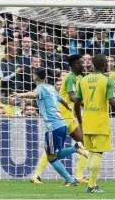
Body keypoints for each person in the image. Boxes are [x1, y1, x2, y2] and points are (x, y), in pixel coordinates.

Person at [12, 68, 89, 187]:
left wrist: (20, 95)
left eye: (33, 74)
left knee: (51, 157)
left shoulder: (40, 88)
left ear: (35, 77)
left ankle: (73, 163)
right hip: (62, 124)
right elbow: (62, 100)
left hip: (53, 126)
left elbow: (34, 95)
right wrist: (68, 108)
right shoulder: (51, 88)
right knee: (54, 155)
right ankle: (71, 177)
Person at [74, 54, 115, 193]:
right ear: (105, 65)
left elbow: (76, 103)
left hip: (87, 120)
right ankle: (92, 186)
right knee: (97, 153)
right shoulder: (107, 81)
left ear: (92, 64)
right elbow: (112, 102)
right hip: (100, 122)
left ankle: (92, 184)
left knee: (92, 153)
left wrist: (80, 121)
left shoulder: (83, 80)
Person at [31, 54, 88, 184]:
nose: (84, 65)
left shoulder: (78, 77)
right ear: (75, 64)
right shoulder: (70, 77)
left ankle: (37, 175)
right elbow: (72, 98)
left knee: (54, 150)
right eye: (81, 63)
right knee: (83, 142)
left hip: (68, 115)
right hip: (63, 116)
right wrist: (91, 104)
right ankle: (77, 176)